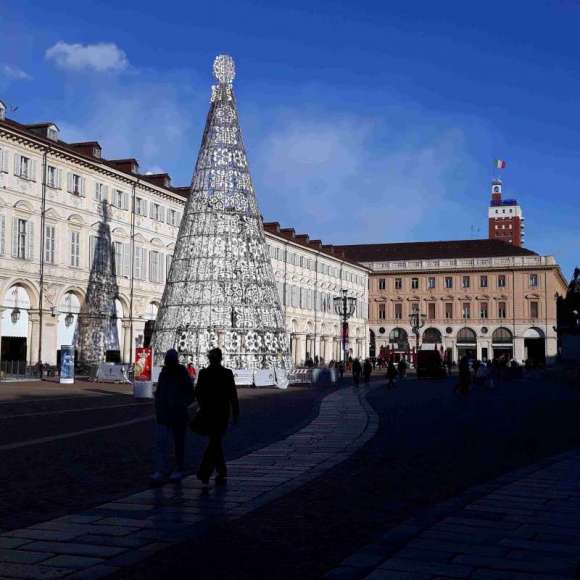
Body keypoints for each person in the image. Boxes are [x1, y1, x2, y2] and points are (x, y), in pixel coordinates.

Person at [195, 348, 240, 486]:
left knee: (215, 440)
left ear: (209, 359)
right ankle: (209, 471)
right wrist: (236, 412)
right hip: (222, 413)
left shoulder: (204, 373)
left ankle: (214, 471)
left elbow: (198, 393)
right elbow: (233, 394)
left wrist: (202, 406)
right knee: (216, 441)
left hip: (208, 412)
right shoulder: (227, 373)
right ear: (221, 358)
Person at [151, 349, 194, 485]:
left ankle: (178, 468)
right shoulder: (164, 373)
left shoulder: (181, 373)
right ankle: (161, 470)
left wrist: (181, 404)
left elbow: (190, 393)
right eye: (167, 359)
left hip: (178, 414)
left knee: (178, 443)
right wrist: (159, 404)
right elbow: (160, 391)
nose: (167, 361)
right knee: (162, 443)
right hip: (164, 414)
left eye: (169, 359)